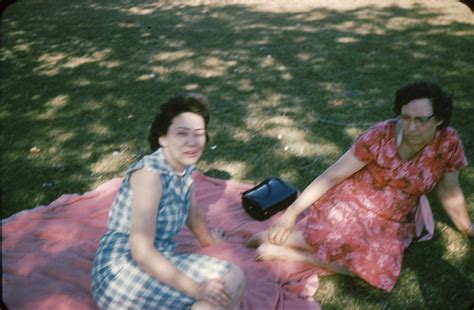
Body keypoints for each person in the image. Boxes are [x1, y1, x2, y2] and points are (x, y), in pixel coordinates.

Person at [247, 81, 473, 292]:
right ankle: (286, 239)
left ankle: (294, 253)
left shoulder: (448, 143)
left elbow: (449, 191)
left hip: (393, 219)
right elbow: (331, 176)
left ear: (439, 119)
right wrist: (290, 214)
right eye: (405, 118)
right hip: (352, 202)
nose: (412, 127)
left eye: (421, 120)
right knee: (337, 240)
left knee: (379, 272)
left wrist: (467, 228)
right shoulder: (380, 136)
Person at [91, 93, 245, 309]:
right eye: (182, 134)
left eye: (198, 134)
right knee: (220, 291)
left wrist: (210, 242)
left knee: (228, 285)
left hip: (155, 260)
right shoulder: (150, 176)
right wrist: (196, 288)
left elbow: (193, 213)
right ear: (163, 138)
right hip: (122, 271)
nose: (192, 142)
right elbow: (142, 252)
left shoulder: (182, 165)